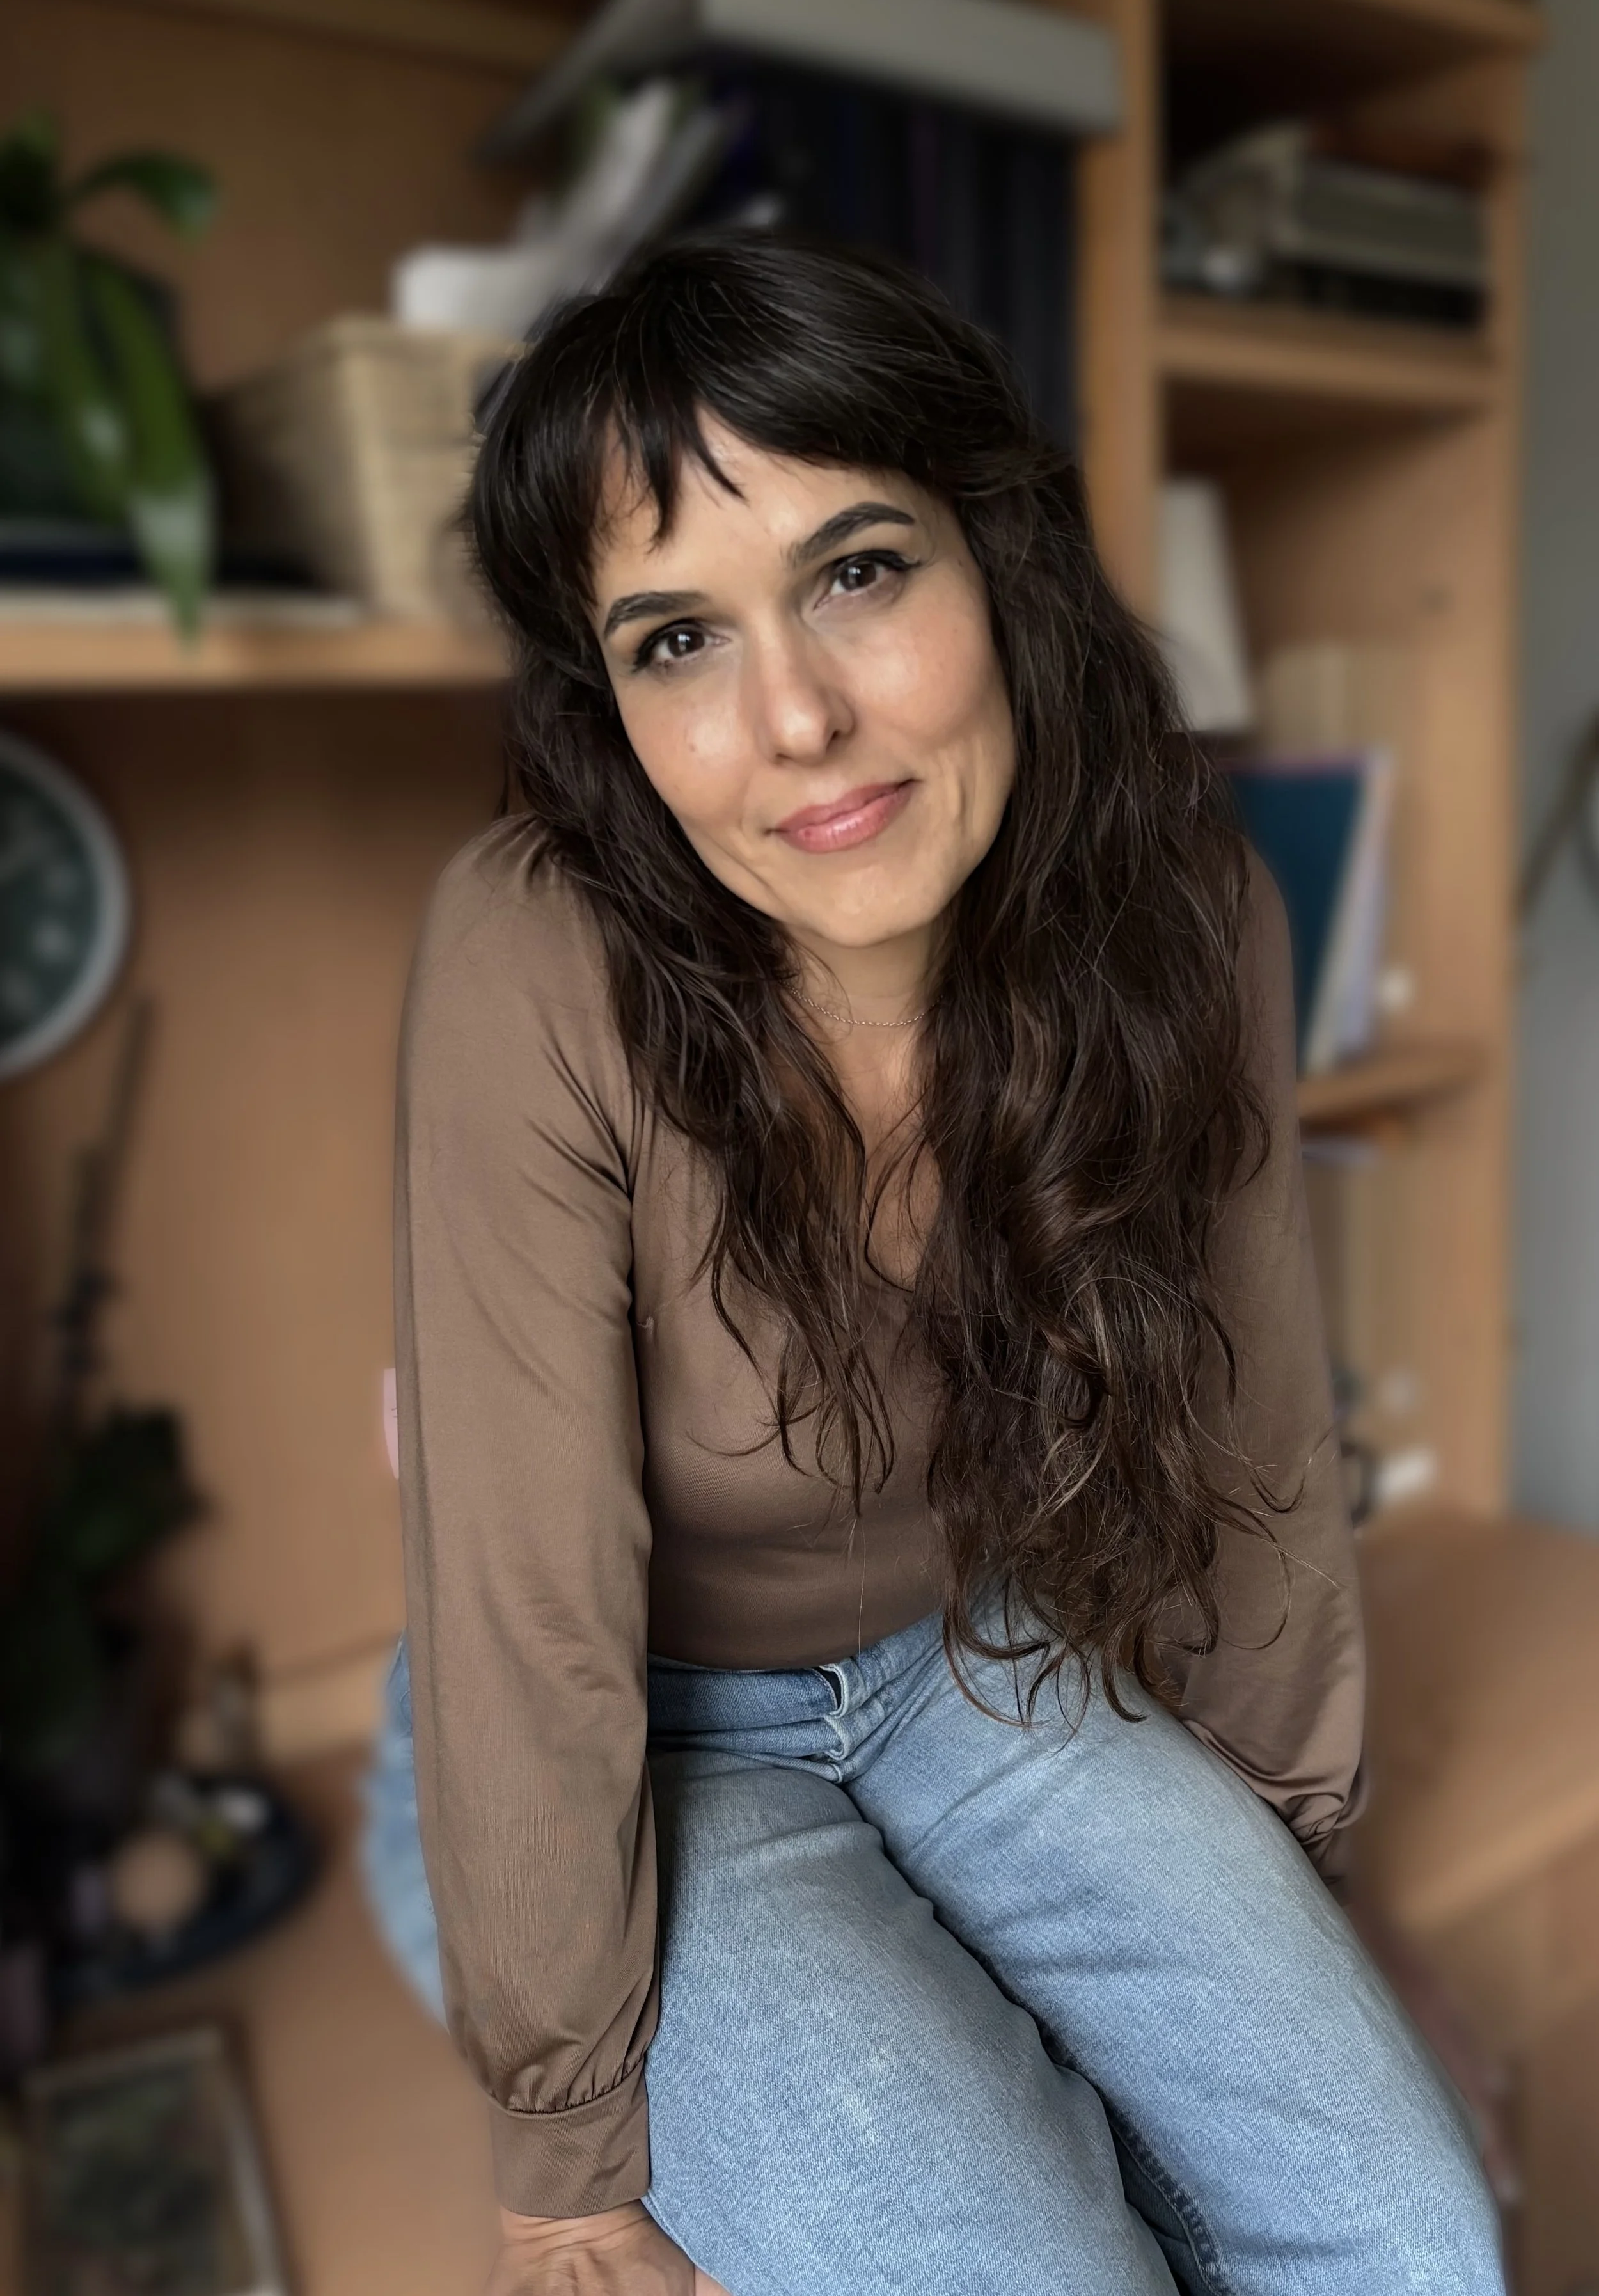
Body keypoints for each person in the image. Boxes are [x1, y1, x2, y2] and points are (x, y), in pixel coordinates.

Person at [363, 235, 1504, 2296]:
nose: (794, 716)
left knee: (1409, 2237)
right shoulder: (529, 955)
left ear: (999, 552)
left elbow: (1247, 1413)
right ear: (608, 708)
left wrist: (1276, 1889)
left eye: (858, 570)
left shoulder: (1180, 898)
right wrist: (564, 2152)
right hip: (639, 1725)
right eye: (675, 640)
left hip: (985, 1649)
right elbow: (527, 1599)